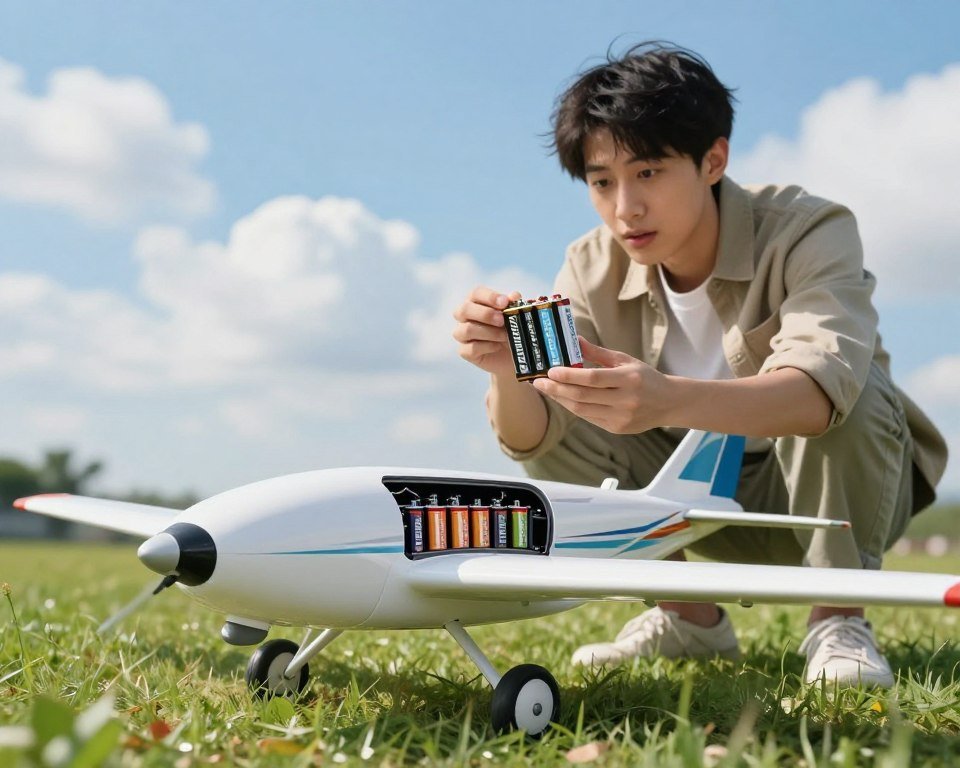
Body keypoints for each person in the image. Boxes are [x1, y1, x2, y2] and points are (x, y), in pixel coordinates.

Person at [451, 42, 947, 687]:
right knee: (566, 413)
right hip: (697, 507)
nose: (624, 206)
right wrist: (503, 369)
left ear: (713, 160)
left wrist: (664, 399)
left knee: (853, 392)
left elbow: (821, 394)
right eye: (602, 182)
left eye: (648, 172)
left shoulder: (808, 229)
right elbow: (533, 441)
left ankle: (838, 619)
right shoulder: (589, 264)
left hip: (831, 492)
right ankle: (690, 619)